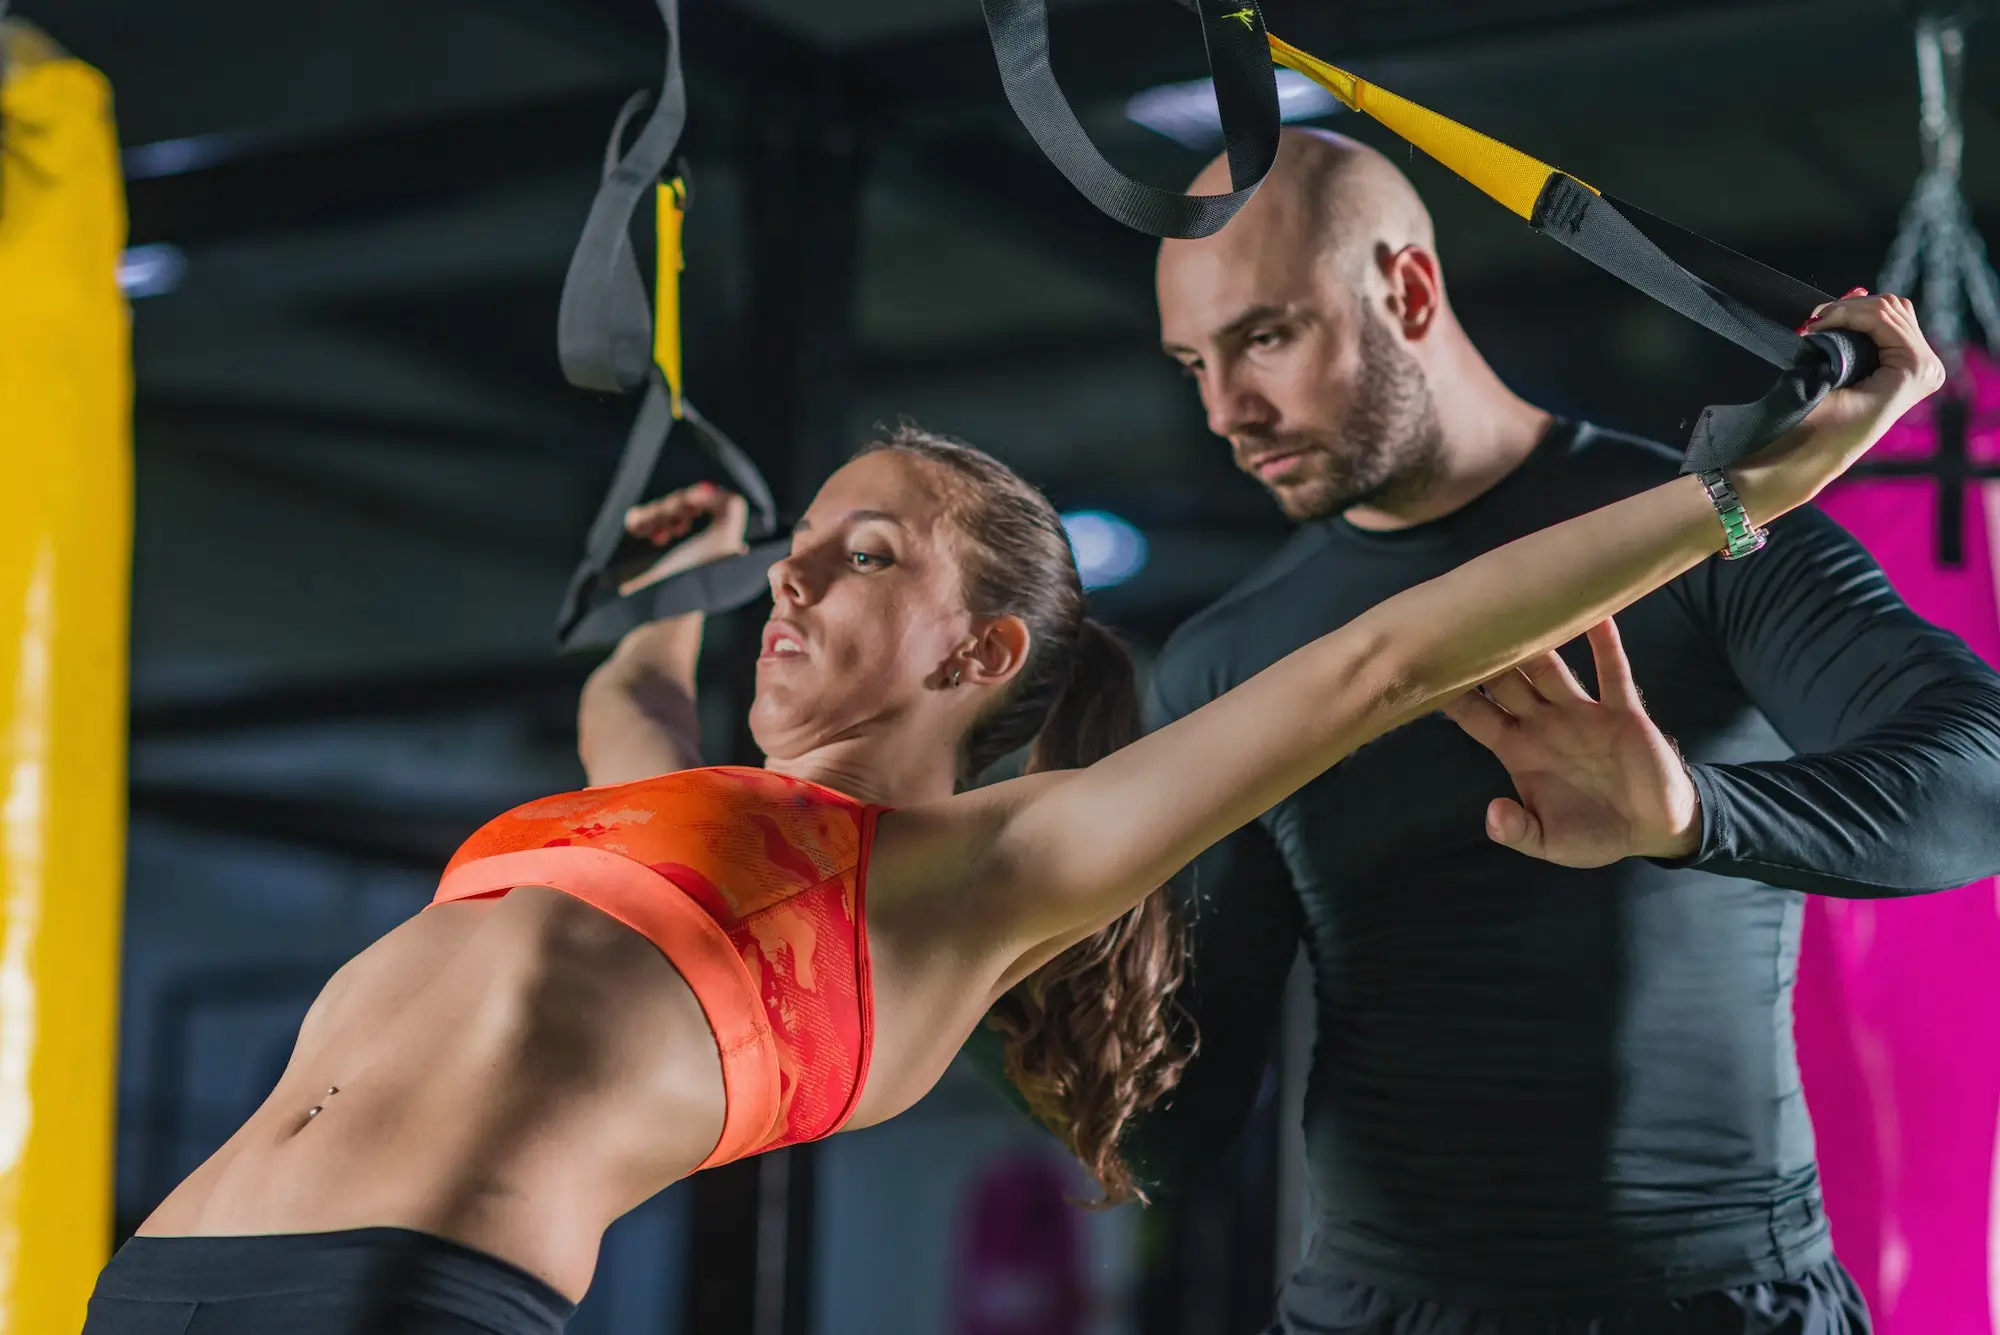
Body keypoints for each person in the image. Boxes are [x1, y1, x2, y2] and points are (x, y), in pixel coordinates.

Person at [84, 290, 1937, 1335]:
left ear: (980, 650)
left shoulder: (977, 875)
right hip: (146, 1273)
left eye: (857, 553)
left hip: (390, 1307)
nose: (795, 589)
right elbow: (629, 693)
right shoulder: (656, 795)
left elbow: (1377, 665)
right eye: (794, 561)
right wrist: (697, 571)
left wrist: (1744, 495)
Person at [1111, 129, 2000, 1333]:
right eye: (1190, 365)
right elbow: (1178, 1124)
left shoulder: (1703, 532)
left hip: (1718, 1304)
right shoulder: (1224, 657)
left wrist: (1695, 816)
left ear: (1407, 289)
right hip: (1374, 1313)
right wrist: (979, 946)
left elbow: (1975, 774)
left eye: (1263, 337)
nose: (1225, 409)